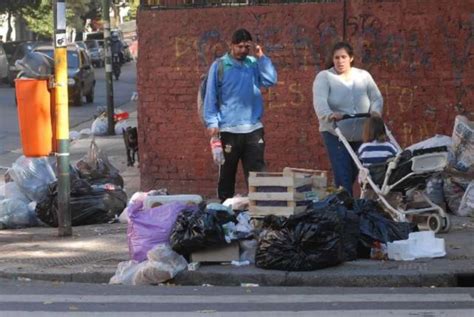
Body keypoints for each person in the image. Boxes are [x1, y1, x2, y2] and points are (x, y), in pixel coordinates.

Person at [203, 28, 278, 201]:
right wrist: (212, 123)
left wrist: (262, 58)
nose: (243, 50)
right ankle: (224, 212)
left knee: (257, 175)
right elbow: (211, 95)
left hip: (253, 129)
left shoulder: (253, 63)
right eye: (239, 47)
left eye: (246, 47)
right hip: (228, 130)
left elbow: (270, 80)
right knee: (227, 174)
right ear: (231, 45)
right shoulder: (220, 66)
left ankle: (260, 211)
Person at [313, 41, 383, 196]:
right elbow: (319, 101)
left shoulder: (363, 76)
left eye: (343, 57)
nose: (340, 61)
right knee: (343, 173)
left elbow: (376, 97)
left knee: (355, 170)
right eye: (336, 58)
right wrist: (329, 114)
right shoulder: (325, 77)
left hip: (361, 133)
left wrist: (375, 112)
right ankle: (345, 208)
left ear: (351, 58)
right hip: (336, 133)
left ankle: (341, 199)